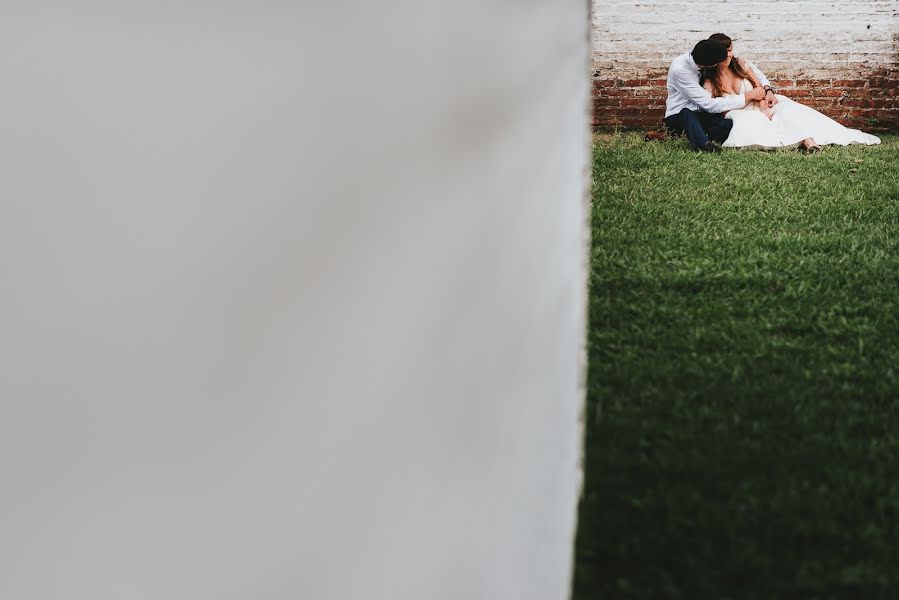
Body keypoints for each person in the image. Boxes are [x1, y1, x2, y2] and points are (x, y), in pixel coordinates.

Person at [701, 33, 881, 151]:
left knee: (787, 111)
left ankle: (809, 141)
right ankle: (799, 141)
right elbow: (716, 108)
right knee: (755, 121)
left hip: (761, 104)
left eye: (730, 49)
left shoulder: (741, 65)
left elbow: (760, 85)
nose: (728, 54)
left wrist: (765, 103)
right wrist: (750, 104)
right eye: (723, 51)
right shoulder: (710, 81)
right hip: (739, 112)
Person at [664, 39, 768, 152]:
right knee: (686, 112)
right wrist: (748, 96)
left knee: (735, 125)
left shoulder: (702, 54)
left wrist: (767, 87)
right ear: (711, 64)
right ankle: (704, 145)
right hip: (679, 116)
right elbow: (708, 104)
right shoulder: (680, 70)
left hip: (704, 114)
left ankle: (704, 135)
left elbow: (751, 69)